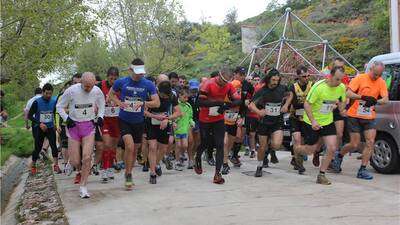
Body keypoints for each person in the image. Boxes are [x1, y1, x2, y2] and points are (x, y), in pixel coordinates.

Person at [108, 58, 159, 190]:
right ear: (130, 70)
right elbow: (111, 95)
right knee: (129, 147)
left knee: (135, 149)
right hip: (124, 119)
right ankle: (129, 174)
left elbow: (157, 103)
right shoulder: (122, 82)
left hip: (138, 121)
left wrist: (143, 103)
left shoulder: (148, 84)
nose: (139, 75)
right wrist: (119, 103)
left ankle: (128, 171)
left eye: (141, 72)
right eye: (137, 72)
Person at [332, 61, 388, 179]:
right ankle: (339, 155)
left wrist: (375, 101)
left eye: (379, 74)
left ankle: (362, 170)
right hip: (354, 115)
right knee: (354, 144)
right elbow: (347, 93)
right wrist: (362, 97)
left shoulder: (381, 82)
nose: (376, 77)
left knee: (370, 142)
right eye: (375, 74)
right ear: (371, 69)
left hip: (369, 116)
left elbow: (385, 99)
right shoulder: (360, 78)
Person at [293, 66, 346, 185]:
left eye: (341, 79)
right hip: (312, 122)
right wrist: (313, 121)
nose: (339, 82)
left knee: (332, 147)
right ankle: (297, 150)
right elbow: (306, 104)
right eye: (337, 79)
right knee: (311, 149)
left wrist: (339, 108)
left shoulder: (341, 87)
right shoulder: (319, 87)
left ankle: (321, 175)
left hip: (327, 121)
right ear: (330, 76)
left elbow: (342, 100)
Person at [57, 72, 105, 198]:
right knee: (75, 160)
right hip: (74, 127)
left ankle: (83, 186)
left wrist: (100, 116)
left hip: (88, 126)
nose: (88, 89)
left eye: (91, 86)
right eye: (86, 86)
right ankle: (71, 163)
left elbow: (102, 105)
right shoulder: (71, 91)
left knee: (87, 157)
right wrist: (67, 118)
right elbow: (59, 106)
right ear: (81, 83)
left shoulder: (97, 91)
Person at [194, 66, 238, 184]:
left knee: (220, 144)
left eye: (227, 82)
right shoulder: (208, 84)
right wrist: (218, 102)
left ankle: (217, 174)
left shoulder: (228, 85)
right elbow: (199, 102)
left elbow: (238, 100)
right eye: (223, 81)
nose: (224, 84)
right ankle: (197, 157)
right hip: (205, 119)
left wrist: (226, 105)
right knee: (205, 142)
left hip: (218, 119)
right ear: (218, 75)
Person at [248, 68, 293, 177]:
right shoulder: (262, 91)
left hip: (277, 121)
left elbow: (290, 94)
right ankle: (259, 167)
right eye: (273, 80)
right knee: (262, 147)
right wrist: (259, 112)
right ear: (268, 79)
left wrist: (286, 105)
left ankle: (272, 151)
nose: (275, 83)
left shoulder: (282, 88)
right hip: (264, 122)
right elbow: (251, 105)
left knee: (277, 144)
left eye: (277, 80)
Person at [144, 80, 180, 183]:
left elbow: (178, 112)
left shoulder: (172, 96)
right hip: (151, 123)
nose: (165, 98)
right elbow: (143, 111)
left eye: (166, 96)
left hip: (164, 123)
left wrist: (167, 118)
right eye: (163, 96)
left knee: (164, 148)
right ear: (158, 91)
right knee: (152, 147)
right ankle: (152, 173)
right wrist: (156, 116)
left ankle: (155, 164)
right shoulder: (151, 94)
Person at [28, 83, 60, 175]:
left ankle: (56, 165)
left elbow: (55, 114)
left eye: (50, 93)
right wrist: (39, 123)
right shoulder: (37, 102)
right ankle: (33, 165)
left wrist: (56, 125)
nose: (48, 95)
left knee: (53, 146)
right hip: (39, 128)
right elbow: (30, 116)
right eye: (47, 93)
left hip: (50, 127)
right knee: (37, 148)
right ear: (43, 92)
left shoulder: (54, 102)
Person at [97, 67, 120, 183]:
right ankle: (104, 169)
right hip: (105, 120)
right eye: (111, 78)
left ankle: (110, 167)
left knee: (113, 146)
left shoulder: (120, 87)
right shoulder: (100, 86)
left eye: (115, 79)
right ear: (107, 77)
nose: (113, 81)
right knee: (106, 144)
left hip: (116, 120)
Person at [288, 65, 313, 172]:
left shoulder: (312, 86)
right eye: (304, 76)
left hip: (306, 118)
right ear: (298, 76)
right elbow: (292, 102)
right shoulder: (292, 87)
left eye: (308, 76)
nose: (306, 78)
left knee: (302, 142)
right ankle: (299, 164)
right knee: (297, 139)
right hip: (295, 117)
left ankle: (296, 158)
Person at [55, 81, 73, 174]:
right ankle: (66, 164)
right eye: (68, 88)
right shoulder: (61, 97)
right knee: (65, 144)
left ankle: (73, 163)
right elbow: (57, 112)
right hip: (64, 123)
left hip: (76, 123)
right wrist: (57, 125)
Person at [174, 88, 193, 170]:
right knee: (178, 145)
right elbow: (172, 115)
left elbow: (190, 117)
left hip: (185, 129)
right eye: (184, 97)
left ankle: (182, 155)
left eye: (187, 97)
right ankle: (177, 162)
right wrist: (174, 122)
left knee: (185, 145)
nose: (186, 99)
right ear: (180, 96)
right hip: (177, 129)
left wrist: (191, 122)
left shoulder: (188, 106)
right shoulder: (175, 105)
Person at [187, 79, 200, 169]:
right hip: (188, 120)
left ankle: (194, 156)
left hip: (199, 120)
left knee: (197, 141)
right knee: (190, 141)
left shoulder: (201, 96)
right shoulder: (186, 97)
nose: (194, 91)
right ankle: (190, 159)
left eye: (196, 89)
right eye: (192, 90)